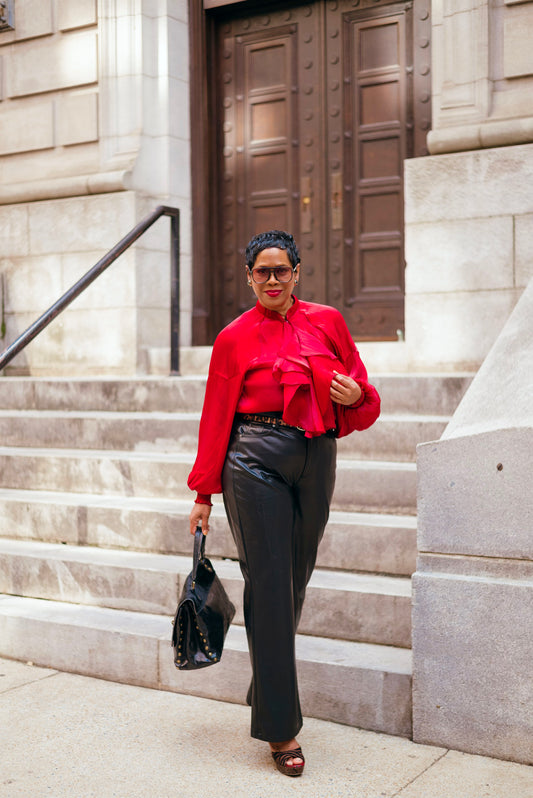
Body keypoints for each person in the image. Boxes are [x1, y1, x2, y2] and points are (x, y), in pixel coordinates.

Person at [188, 230, 380, 777]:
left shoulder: (329, 323)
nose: (272, 279)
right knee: (270, 584)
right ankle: (281, 730)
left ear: (297, 272)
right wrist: (204, 491)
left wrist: (356, 396)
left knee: (294, 580)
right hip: (253, 458)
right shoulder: (232, 338)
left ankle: (266, 685)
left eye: (281, 270)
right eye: (261, 271)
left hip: (316, 457)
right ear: (249, 277)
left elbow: (366, 399)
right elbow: (215, 414)